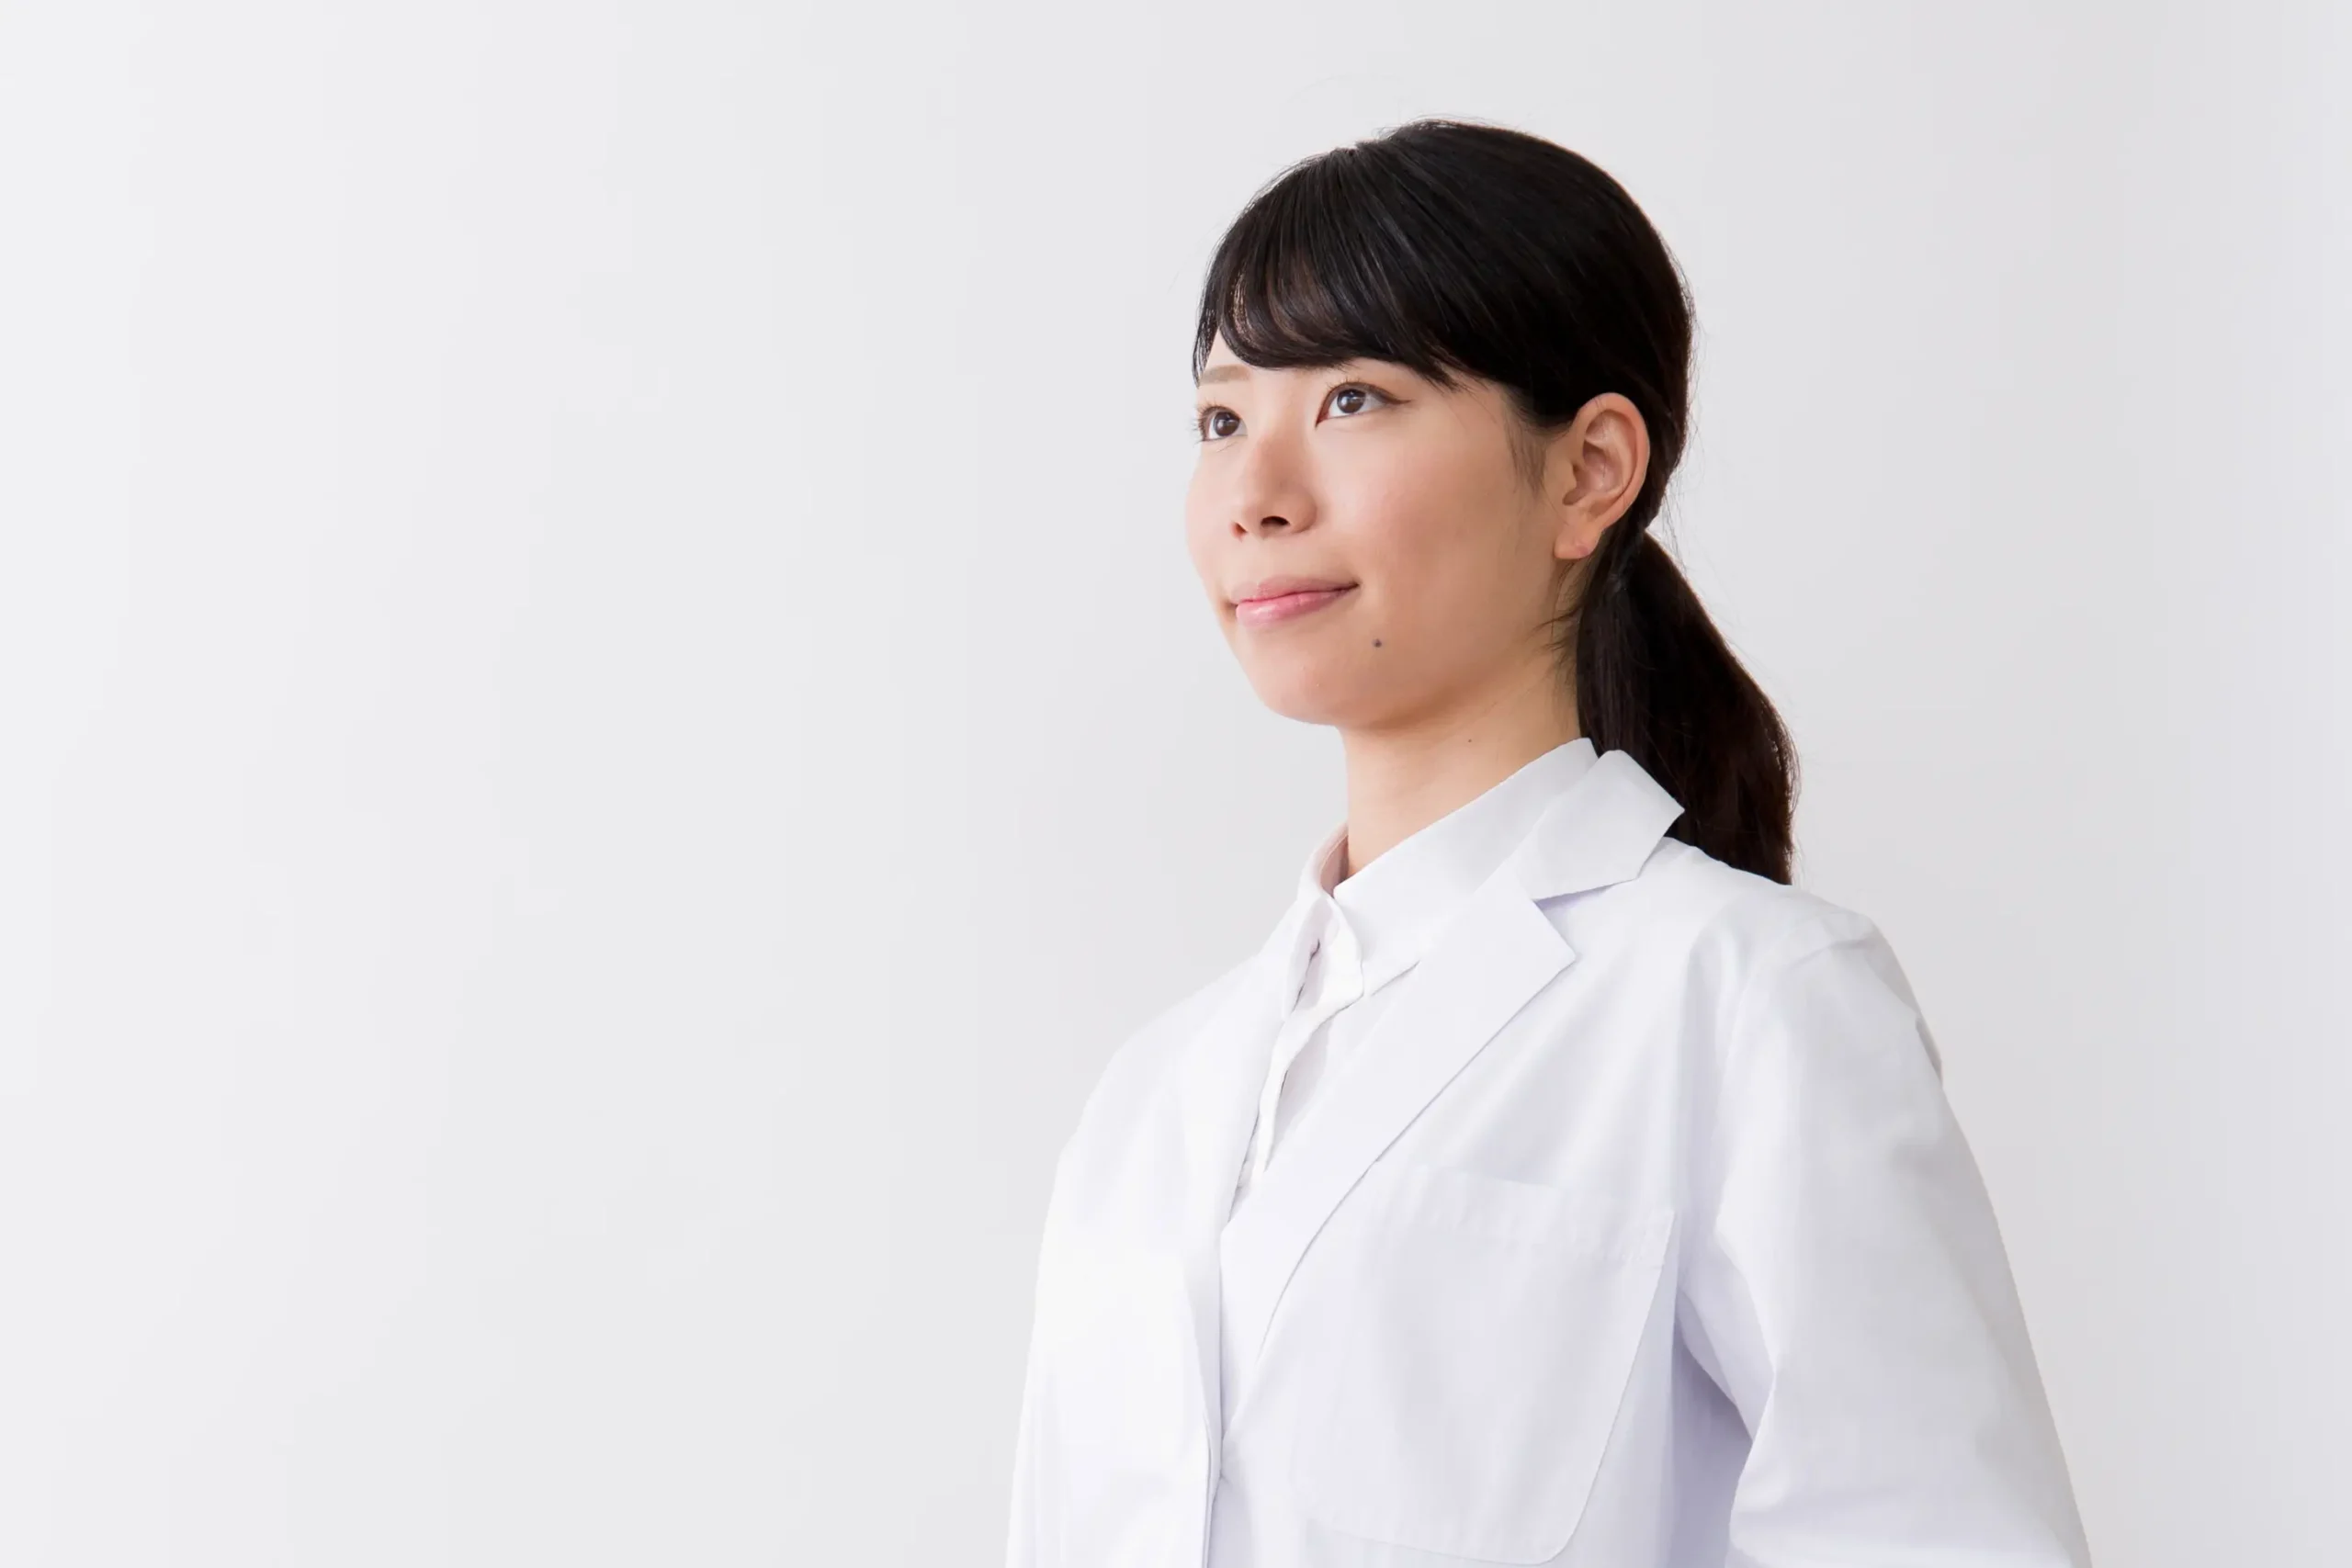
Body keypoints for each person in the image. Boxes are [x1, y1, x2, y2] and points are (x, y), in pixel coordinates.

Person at [1002, 118, 2091, 1568]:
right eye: (1220, 418)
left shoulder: (1748, 1000)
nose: (1257, 491)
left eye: (1353, 399)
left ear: (1589, 471)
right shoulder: (1154, 1101)